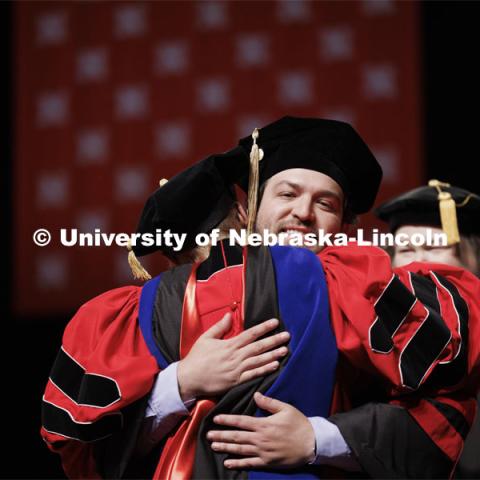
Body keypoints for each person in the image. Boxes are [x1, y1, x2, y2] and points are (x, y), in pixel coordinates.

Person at [41, 117, 480, 479]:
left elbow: (439, 413)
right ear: (250, 209)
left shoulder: (369, 295)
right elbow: (86, 447)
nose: (303, 213)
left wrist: (316, 438)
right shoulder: (160, 301)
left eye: (324, 203)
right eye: (287, 194)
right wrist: (181, 383)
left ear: (343, 226)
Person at [375, 181, 480, 479]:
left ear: (473, 257)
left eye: (434, 247)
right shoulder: (370, 335)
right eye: (405, 249)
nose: (418, 261)